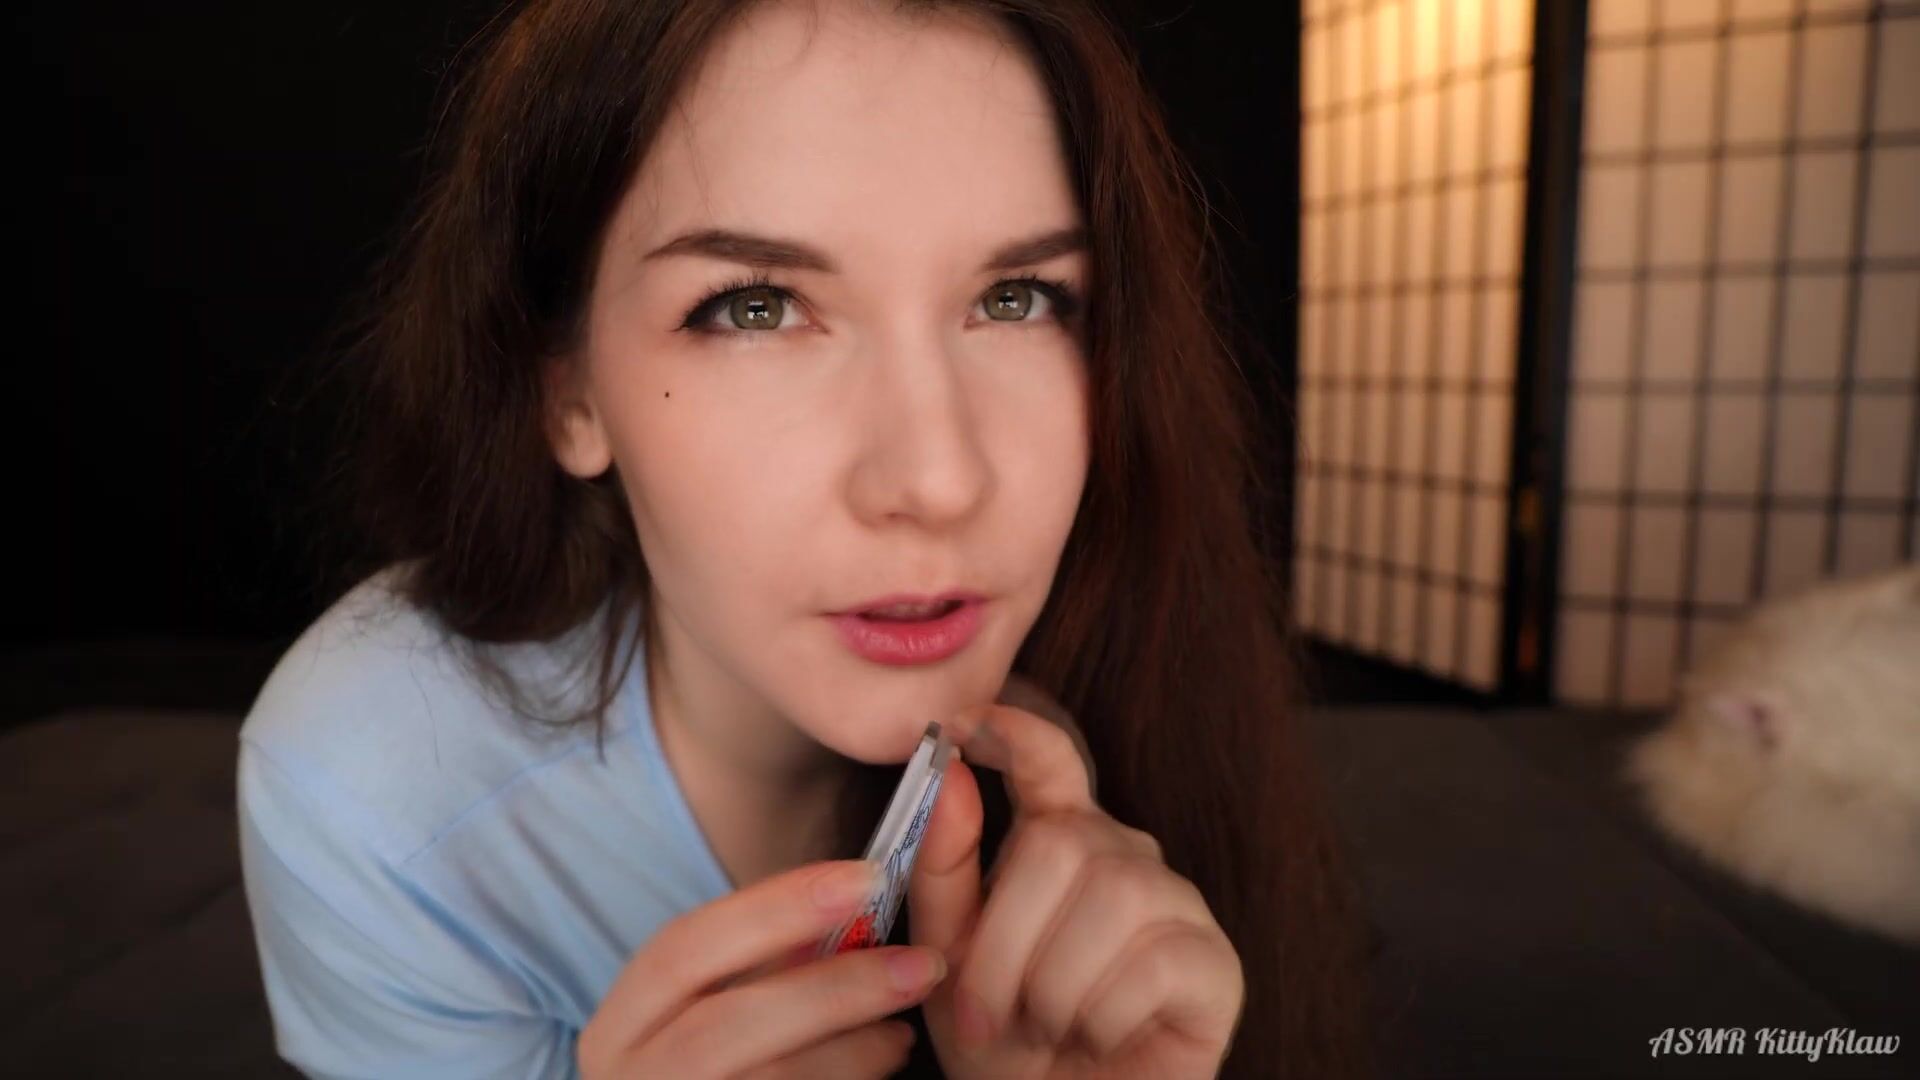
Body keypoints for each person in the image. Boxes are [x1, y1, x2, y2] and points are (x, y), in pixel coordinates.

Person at [239, 0, 1374, 1077]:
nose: (937, 480)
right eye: (758, 307)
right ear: (568, 393)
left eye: (1018, 298)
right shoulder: (382, 786)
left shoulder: (1153, 689)